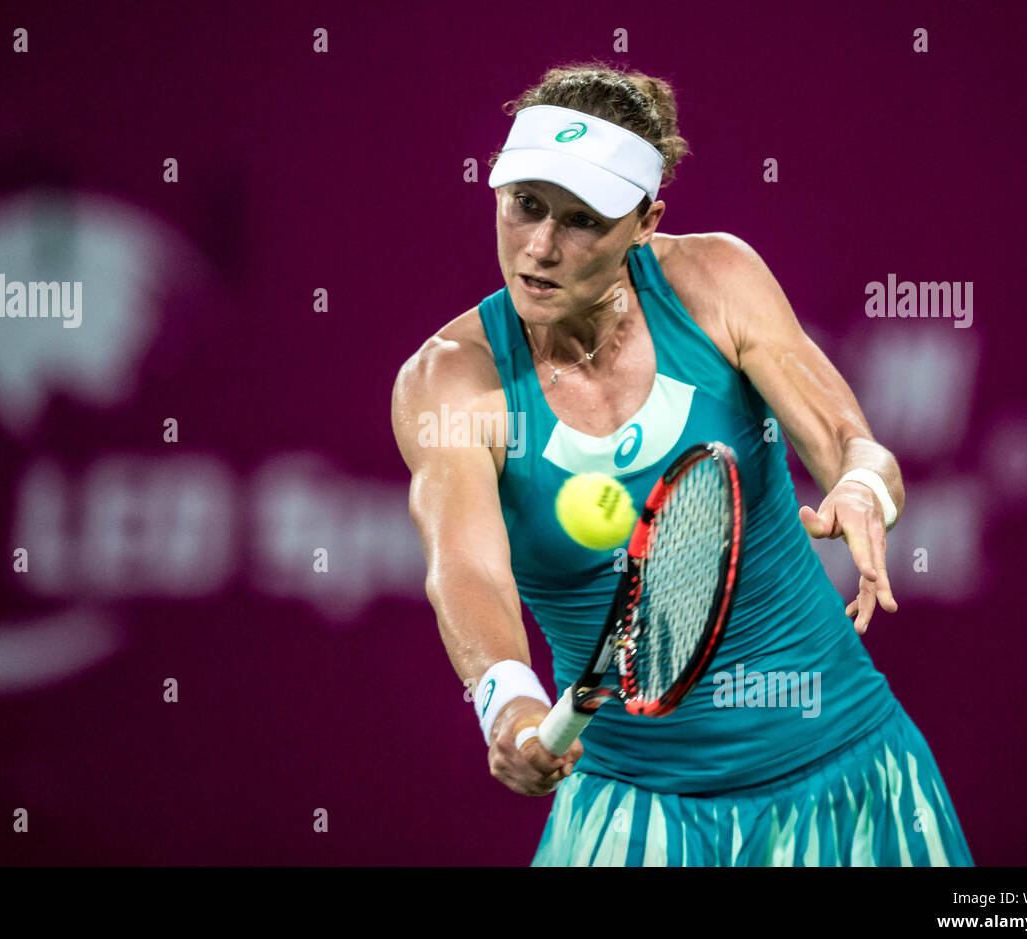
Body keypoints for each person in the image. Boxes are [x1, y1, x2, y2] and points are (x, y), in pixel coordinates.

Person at [390, 61, 973, 866]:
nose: (541, 247)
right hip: (638, 820)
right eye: (525, 205)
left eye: (583, 220)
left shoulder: (714, 281)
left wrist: (864, 485)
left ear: (645, 221)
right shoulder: (449, 378)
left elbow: (848, 441)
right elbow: (468, 570)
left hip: (852, 781)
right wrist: (510, 704)